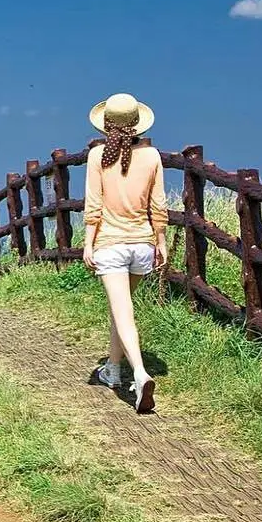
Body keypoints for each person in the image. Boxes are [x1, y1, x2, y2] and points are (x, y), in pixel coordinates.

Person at [82, 92, 168, 414]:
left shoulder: (97, 156)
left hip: (111, 244)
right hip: (142, 245)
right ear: (137, 123)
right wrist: (160, 242)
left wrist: (88, 243)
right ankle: (113, 372)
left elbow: (94, 206)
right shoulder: (153, 156)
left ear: (106, 124)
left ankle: (139, 373)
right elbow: (158, 206)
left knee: (123, 312)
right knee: (122, 312)